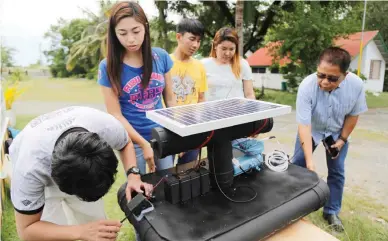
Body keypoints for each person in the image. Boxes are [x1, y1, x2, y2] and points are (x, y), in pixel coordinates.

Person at [9, 106, 153, 241]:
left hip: (71, 165)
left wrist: (133, 175)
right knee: (51, 232)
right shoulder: (29, 169)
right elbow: (27, 230)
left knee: (97, 225)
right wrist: (81, 232)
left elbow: (125, 142)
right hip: (40, 174)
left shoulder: (104, 125)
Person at [292, 47, 368, 231]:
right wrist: (310, 161)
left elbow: (353, 114)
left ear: (345, 74)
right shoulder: (307, 85)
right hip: (312, 129)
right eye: (321, 75)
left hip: (336, 131)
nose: (325, 82)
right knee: (297, 166)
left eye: (332, 78)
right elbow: (304, 124)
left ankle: (331, 211)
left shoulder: (356, 85)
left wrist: (342, 139)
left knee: (337, 172)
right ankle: (293, 208)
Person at [98, 1, 176, 175]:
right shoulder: (107, 67)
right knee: (139, 191)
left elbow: (170, 99)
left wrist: (178, 132)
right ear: (114, 33)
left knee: (169, 183)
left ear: (145, 28)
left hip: (162, 135)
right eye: (122, 33)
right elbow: (115, 114)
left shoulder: (161, 57)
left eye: (136, 31)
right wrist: (142, 143)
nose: (130, 39)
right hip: (131, 141)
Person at [170, 18, 208, 164]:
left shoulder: (199, 66)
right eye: (192, 39)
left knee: (188, 176)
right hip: (167, 129)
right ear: (178, 37)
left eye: (198, 41)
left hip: (192, 129)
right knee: (162, 177)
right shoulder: (165, 63)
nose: (195, 45)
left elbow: (201, 99)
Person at [201, 27, 256, 101]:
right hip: (211, 112)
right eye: (223, 49)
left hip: (238, 111)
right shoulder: (203, 64)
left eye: (231, 49)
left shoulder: (242, 64)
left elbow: (249, 94)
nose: (227, 53)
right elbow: (199, 96)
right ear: (215, 46)